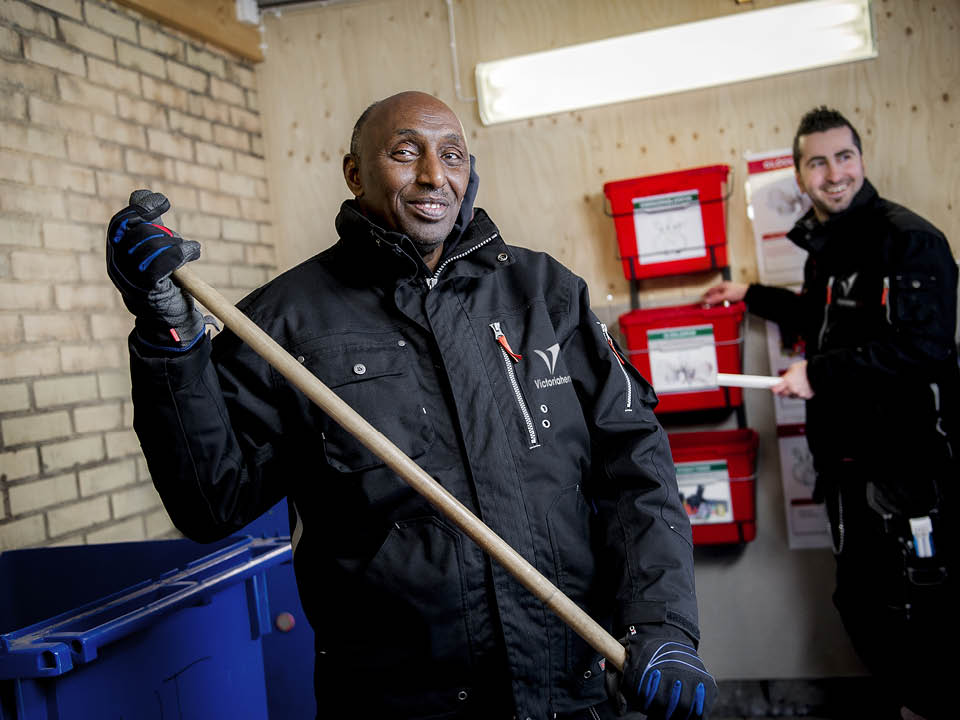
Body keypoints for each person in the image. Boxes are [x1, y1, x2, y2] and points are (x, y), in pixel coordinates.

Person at [105, 91, 716, 719]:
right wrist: (167, 340)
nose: (433, 175)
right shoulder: (286, 323)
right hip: (397, 706)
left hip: (573, 698)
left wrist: (662, 625)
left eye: (451, 154)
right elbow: (212, 501)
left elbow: (635, 467)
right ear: (354, 173)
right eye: (405, 152)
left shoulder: (544, 296)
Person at [704, 106, 957, 720]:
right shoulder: (826, 247)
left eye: (844, 157)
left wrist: (816, 374)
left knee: (915, 610)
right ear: (799, 174)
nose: (834, 172)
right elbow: (822, 319)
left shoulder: (908, 239)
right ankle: (914, 705)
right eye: (817, 161)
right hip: (847, 465)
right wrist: (749, 295)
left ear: (861, 160)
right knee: (865, 604)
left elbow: (923, 349)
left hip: (905, 470)